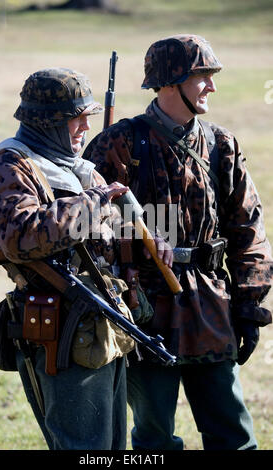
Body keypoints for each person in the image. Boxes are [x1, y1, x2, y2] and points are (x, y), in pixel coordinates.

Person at [83, 35, 273, 450]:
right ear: (171, 82)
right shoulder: (119, 143)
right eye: (202, 76)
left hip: (211, 306)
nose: (212, 87)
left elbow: (248, 229)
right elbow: (87, 231)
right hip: (143, 309)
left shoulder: (222, 144)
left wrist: (249, 304)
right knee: (153, 438)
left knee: (233, 434)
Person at [0, 68, 133, 450]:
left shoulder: (77, 167)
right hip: (60, 331)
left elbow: (113, 235)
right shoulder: (8, 166)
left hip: (102, 327)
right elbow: (21, 237)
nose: (84, 126)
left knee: (111, 448)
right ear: (47, 122)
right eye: (75, 118)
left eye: (87, 117)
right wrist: (96, 201)